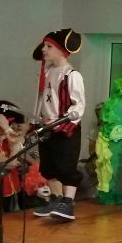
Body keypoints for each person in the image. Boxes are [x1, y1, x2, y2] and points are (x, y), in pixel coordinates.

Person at [30, 29, 86, 222]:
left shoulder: (71, 75)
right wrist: (35, 120)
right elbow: (40, 99)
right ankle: (56, 200)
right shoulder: (46, 72)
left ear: (61, 50)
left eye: (48, 46)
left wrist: (64, 122)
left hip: (65, 129)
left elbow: (78, 105)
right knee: (48, 166)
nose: (43, 49)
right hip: (46, 127)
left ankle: (68, 203)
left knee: (66, 165)